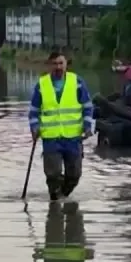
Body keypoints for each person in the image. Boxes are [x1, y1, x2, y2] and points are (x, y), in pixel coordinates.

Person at [29, 51, 94, 201]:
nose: (58, 67)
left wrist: (87, 126)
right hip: (51, 138)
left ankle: (62, 196)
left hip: (73, 138)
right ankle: (55, 202)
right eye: (55, 64)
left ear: (66, 64)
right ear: (49, 65)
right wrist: (34, 127)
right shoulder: (42, 84)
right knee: (53, 174)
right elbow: (34, 111)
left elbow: (87, 106)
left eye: (61, 63)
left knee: (74, 175)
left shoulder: (77, 82)